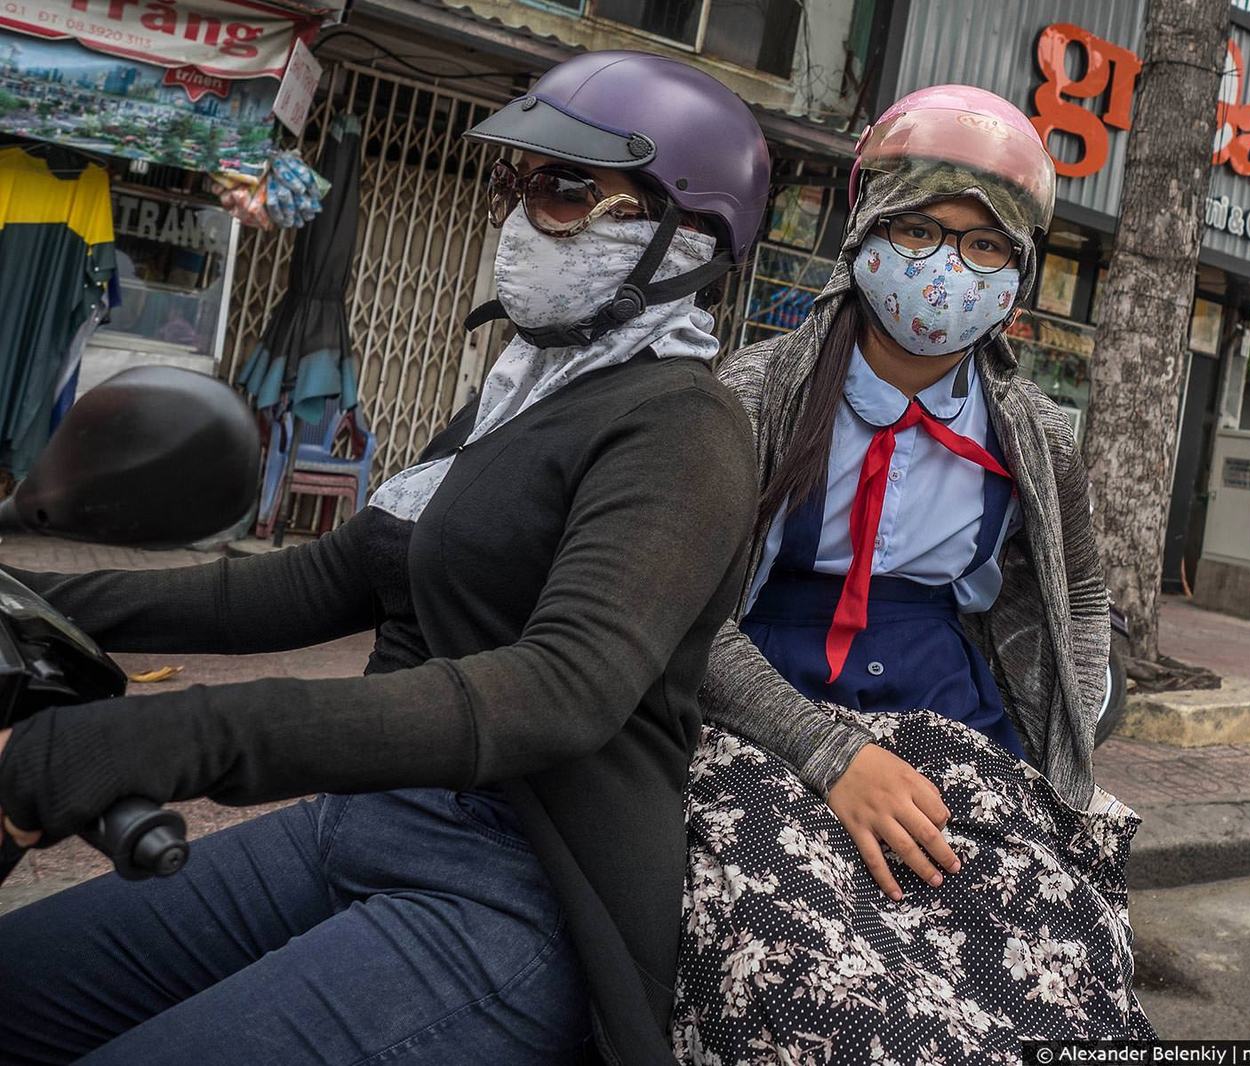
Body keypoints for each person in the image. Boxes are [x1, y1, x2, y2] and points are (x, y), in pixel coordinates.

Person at [0, 51, 768, 1065]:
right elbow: (331, 576)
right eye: (517, 183)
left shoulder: (683, 425)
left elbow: (561, 688)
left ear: (683, 234)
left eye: (567, 191)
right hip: (360, 825)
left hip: (512, 887)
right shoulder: (524, 396)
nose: (521, 215)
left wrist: (172, 737)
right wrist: (39, 604)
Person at [673, 86, 1153, 1060]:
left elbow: (1080, 588)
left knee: (1057, 948)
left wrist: (1073, 707)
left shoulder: (1034, 434)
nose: (948, 269)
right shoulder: (750, 395)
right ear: (867, 235)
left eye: (984, 247)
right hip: (762, 703)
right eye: (923, 231)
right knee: (797, 957)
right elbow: (683, 616)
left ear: (1016, 272)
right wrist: (830, 755)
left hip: (951, 705)